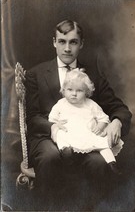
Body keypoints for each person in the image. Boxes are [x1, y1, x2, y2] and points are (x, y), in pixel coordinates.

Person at [25, 20, 132, 198]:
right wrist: (52, 127)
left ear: (81, 44)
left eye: (73, 42)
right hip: (48, 137)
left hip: (85, 138)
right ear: (54, 42)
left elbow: (118, 107)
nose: (67, 48)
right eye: (62, 41)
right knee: (50, 157)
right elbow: (33, 117)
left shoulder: (93, 74)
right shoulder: (36, 74)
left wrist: (116, 122)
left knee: (99, 163)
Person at [48, 68, 124, 174]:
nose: (74, 94)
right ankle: (65, 151)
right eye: (70, 90)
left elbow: (104, 118)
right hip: (69, 133)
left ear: (86, 92)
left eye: (79, 90)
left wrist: (100, 127)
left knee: (103, 144)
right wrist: (57, 124)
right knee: (59, 133)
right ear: (63, 90)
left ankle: (111, 163)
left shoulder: (90, 104)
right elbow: (52, 118)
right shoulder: (61, 103)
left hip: (87, 133)